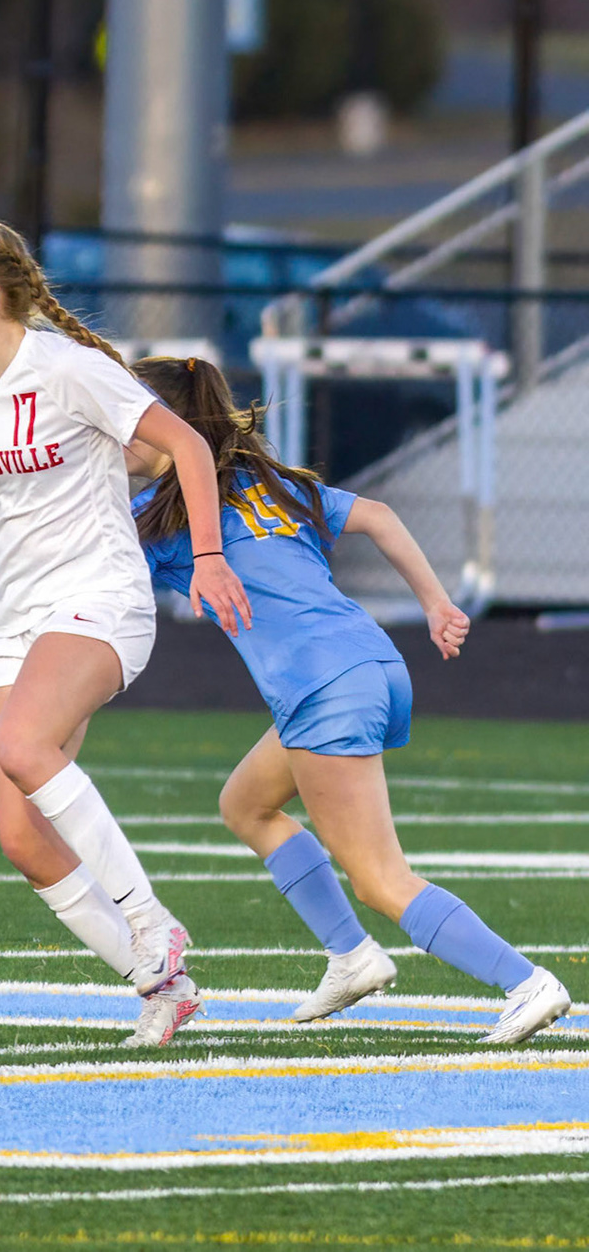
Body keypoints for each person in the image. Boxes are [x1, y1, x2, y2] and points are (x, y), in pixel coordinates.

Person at [127, 355, 572, 1043]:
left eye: (126, 413)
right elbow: (381, 516)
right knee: (245, 803)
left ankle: (526, 982)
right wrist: (437, 603)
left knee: (380, 880)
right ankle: (352, 956)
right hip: (372, 662)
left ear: (167, 424)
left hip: (321, 685)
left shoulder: (156, 514)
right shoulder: (269, 482)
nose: (115, 426)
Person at [0, 219, 252, 1047]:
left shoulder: (70, 368)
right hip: (20, 616)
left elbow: (187, 446)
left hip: (101, 598)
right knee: (22, 838)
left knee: (23, 744)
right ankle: (161, 984)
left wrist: (208, 557)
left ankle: (152, 920)